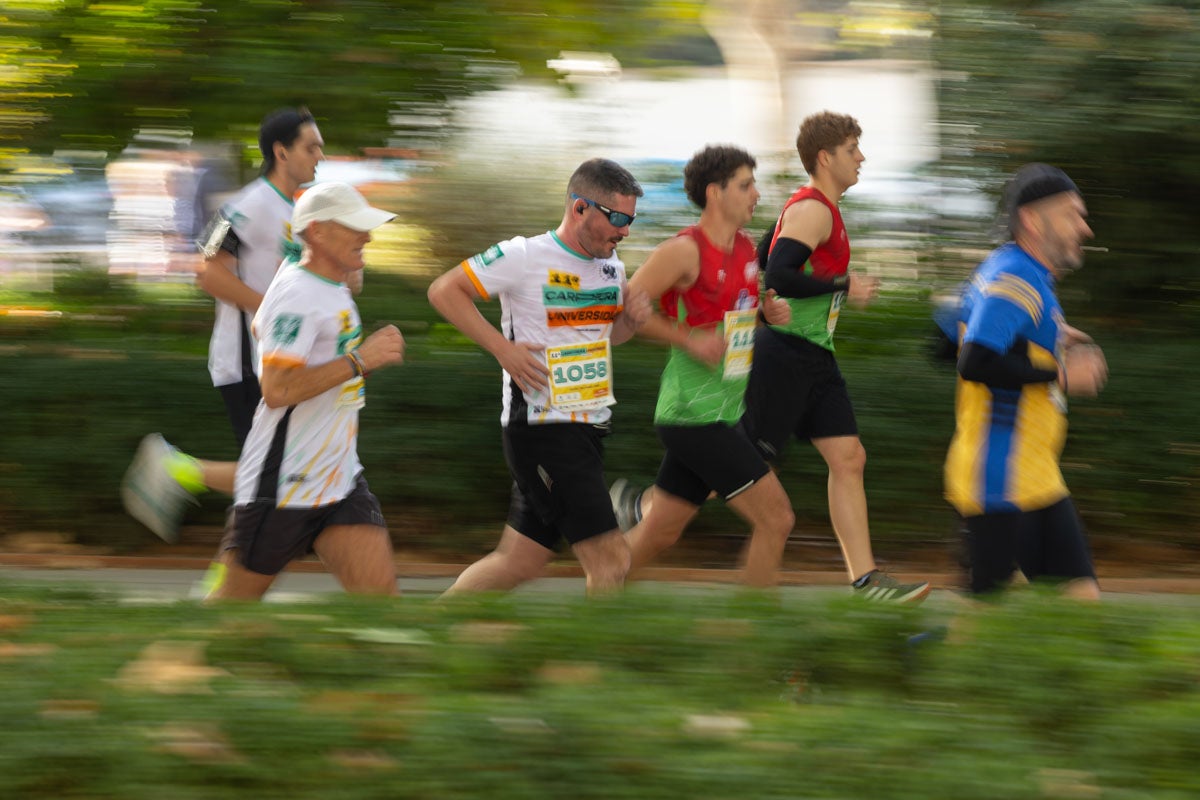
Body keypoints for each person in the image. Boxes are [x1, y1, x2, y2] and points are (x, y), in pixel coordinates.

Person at [427, 158, 651, 596]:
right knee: (611, 561)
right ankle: (594, 664)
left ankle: (434, 636)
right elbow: (444, 290)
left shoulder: (612, 266)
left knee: (518, 562)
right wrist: (502, 349)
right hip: (545, 429)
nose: (625, 231)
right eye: (618, 218)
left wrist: (632, 323)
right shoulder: (523, 255)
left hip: (586, 428)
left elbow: (609, 339)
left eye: (631, 221)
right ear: (580, 208)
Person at [742, 111, 929, 602]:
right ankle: (651, 505)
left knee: (849, 457)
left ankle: (866, 580)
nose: (861, 157)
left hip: (814, 356)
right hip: (783, 355)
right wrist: (843, 283)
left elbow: (764, 257)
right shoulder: (815, 210)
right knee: (746, 471)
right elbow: (780, 271)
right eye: (852, 149)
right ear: (826, 158)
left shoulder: (816, 208)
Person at [122, 108, 326, 542]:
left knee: (282, 475)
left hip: (283, 360)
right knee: (279, 475)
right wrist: (269, 310)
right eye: (311, 147)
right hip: (247, 363)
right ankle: (178, 470)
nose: (319, 156)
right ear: (281, 151)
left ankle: (224, 572)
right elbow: (207, 271)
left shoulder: (304, 208)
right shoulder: (245, 205)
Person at [609, 145, 796, 587]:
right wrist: (687, 339)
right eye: (746, 185)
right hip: (693, 415)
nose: (756, 194)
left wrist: (766, 315)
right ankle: (752, 636)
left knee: (660, 532)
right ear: (715, 193)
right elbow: (624, 312)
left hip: (724, 409)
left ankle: (597, 608)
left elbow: (737, 316)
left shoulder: (747, 249)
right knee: (777, 519)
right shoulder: (683, 251)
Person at [207, 181, 405, 600]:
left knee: (382, 606)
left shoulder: (326, 285)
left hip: (339, 479)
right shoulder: (298, 294)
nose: (367, 236)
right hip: (284, 486)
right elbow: (277, 389)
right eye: (354, 227)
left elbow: (277, 323)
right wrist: (361, 360)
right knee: (225, 620)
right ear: (317, 232)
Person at [944, 163, 1106, 599]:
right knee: (981, 629)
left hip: (1035, 476)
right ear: (1034, 220)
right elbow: (974, 361)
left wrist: (1052, 336)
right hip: (998, 481)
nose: (1084, 229)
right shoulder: (1017, 277)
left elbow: (949, 327)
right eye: (1073, 215)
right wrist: (1062, 373)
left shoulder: (1011, 269)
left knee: (1080, 598)